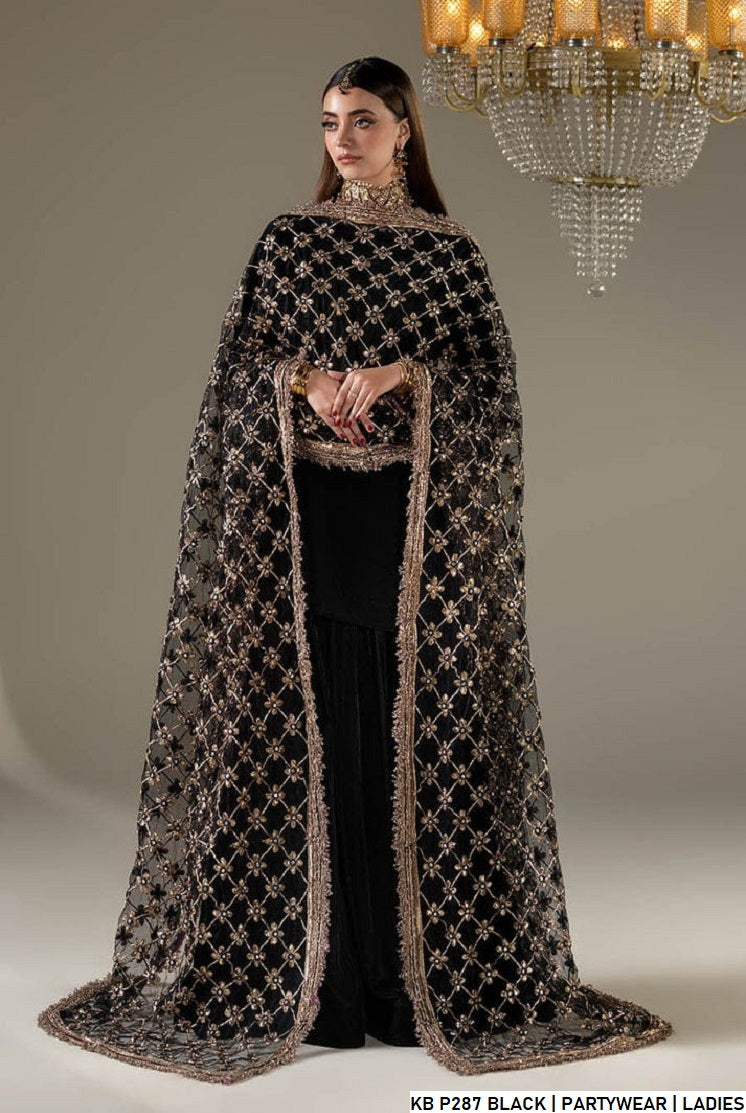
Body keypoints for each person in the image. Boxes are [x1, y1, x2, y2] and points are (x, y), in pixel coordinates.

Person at [37, 56, 673, 1084]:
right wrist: (302, 383)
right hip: (301, 520)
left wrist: (397, 375)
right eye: (331, 121)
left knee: (399, 713)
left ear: (405, 129)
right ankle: (318, 983)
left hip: (407, 525)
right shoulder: (288, 240)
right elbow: (235, 373)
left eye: (364, 120)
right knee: (310, 710)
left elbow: (491, 391)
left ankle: (402, 981)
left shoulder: (447, 256)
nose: (343, 139)